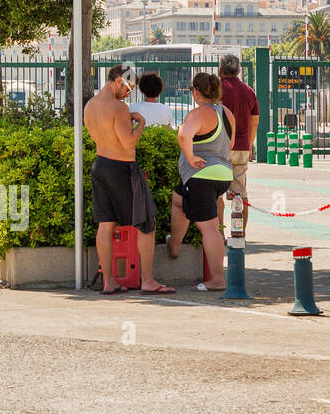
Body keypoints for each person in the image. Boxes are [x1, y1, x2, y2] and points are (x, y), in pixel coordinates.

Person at [82, 64, 173, 295]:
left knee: (106, 224)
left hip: (100, 165)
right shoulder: (119, 107)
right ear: (119, 81)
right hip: (122, 167)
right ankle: (148, 281)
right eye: (129, 88)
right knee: (146, 224)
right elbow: (128, 143)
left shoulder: (90, 105)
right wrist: (140, 123)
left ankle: (109, 282)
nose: (129, 94)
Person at [167, 72, 236, 292]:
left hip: (202, 177)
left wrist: (190, 157)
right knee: (178, 199)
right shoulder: (226, 113)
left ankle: (217, 279)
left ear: (195, 92)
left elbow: (183, 135)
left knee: (209, 228)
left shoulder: (198, 114)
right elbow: (230, 143)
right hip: (223, 174)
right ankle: (175, 246)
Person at [218, 54, 258, 231]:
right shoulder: (249, 91)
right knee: (241, 194)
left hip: (219, 147)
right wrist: (249, 145)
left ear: (220, 71)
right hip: (242, 147)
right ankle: (239, 234)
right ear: (239, 70)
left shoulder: (217, 89)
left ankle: (219, 233)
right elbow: (254, 120)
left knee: (216, 194)